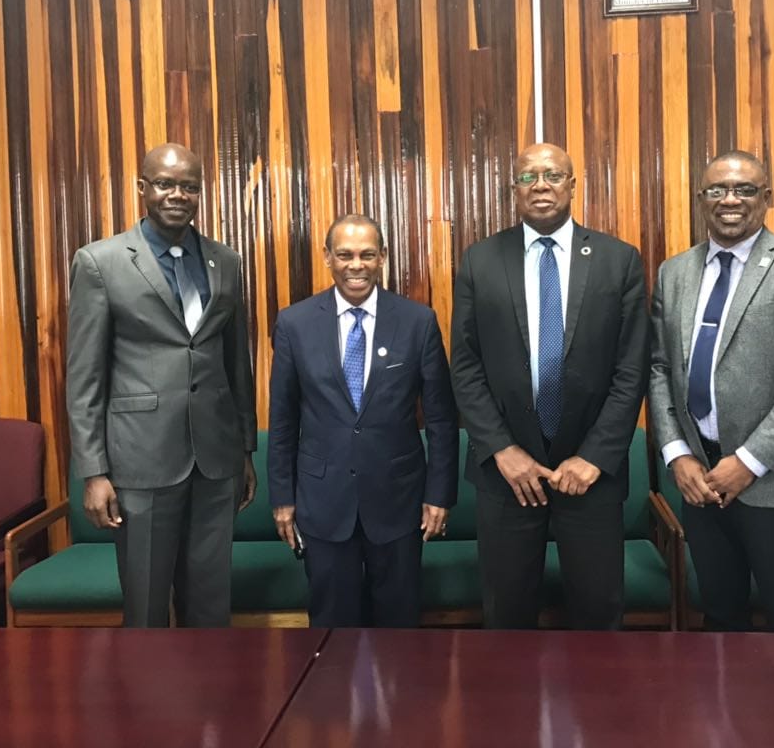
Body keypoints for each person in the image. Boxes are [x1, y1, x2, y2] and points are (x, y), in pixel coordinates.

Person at [450, 143, 649, 630]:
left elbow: (631, 370)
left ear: (573, 185)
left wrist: (594, 457)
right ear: (513, 189)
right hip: (507, 476)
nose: (540, 185)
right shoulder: (480, 260)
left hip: (591, 475)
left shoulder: (618, 260)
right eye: (528, 177)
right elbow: (466, 367)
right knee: (506, 617)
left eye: (553, 175)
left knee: (598, 616)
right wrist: (501, 449)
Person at [648, 150, 774, 631]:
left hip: (772, 479)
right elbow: (659, 368)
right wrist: (677, 454)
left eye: (744, 189)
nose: (730, 200)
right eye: (717, 190)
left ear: (767, 197)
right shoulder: (674, 273)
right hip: (698, 478)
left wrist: (748, 462)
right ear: (701, 198)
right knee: (719, 615)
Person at [67, 143, 258, 628]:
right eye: (165, 184)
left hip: (216, 460)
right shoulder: (100, 262)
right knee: (147, 609)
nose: (178, 195)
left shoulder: (226, 261)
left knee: (211, 606)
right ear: (142, 188)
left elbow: (237, 363)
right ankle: (146, 683)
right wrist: (94, 472)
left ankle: (210, 681)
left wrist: (245, 450)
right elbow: (85, 377)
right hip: (139, 462)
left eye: (189, 186)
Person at [267, 215, 458, 628]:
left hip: (398, 502)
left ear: (382, 257)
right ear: (328, 258)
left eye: (367, 255)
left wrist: (439, 495)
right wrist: (282, 497)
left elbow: (442, 419)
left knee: (399, 628)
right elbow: (282, 420)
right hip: (323, 501)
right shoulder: (295, 324)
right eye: (345, 255)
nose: (356, 265)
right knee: (332, 630)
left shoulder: (417, 321)